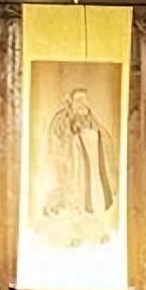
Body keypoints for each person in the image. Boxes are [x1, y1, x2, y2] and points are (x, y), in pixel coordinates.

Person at [42, 88, 116, 218]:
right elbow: (55, 145)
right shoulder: (61, 119)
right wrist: (72, 142)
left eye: (85, 99)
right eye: (79, 100)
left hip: (91, 167)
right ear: (71, 103)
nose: (83, 103)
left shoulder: (91, 120)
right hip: (69, 167)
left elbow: (105, 139)